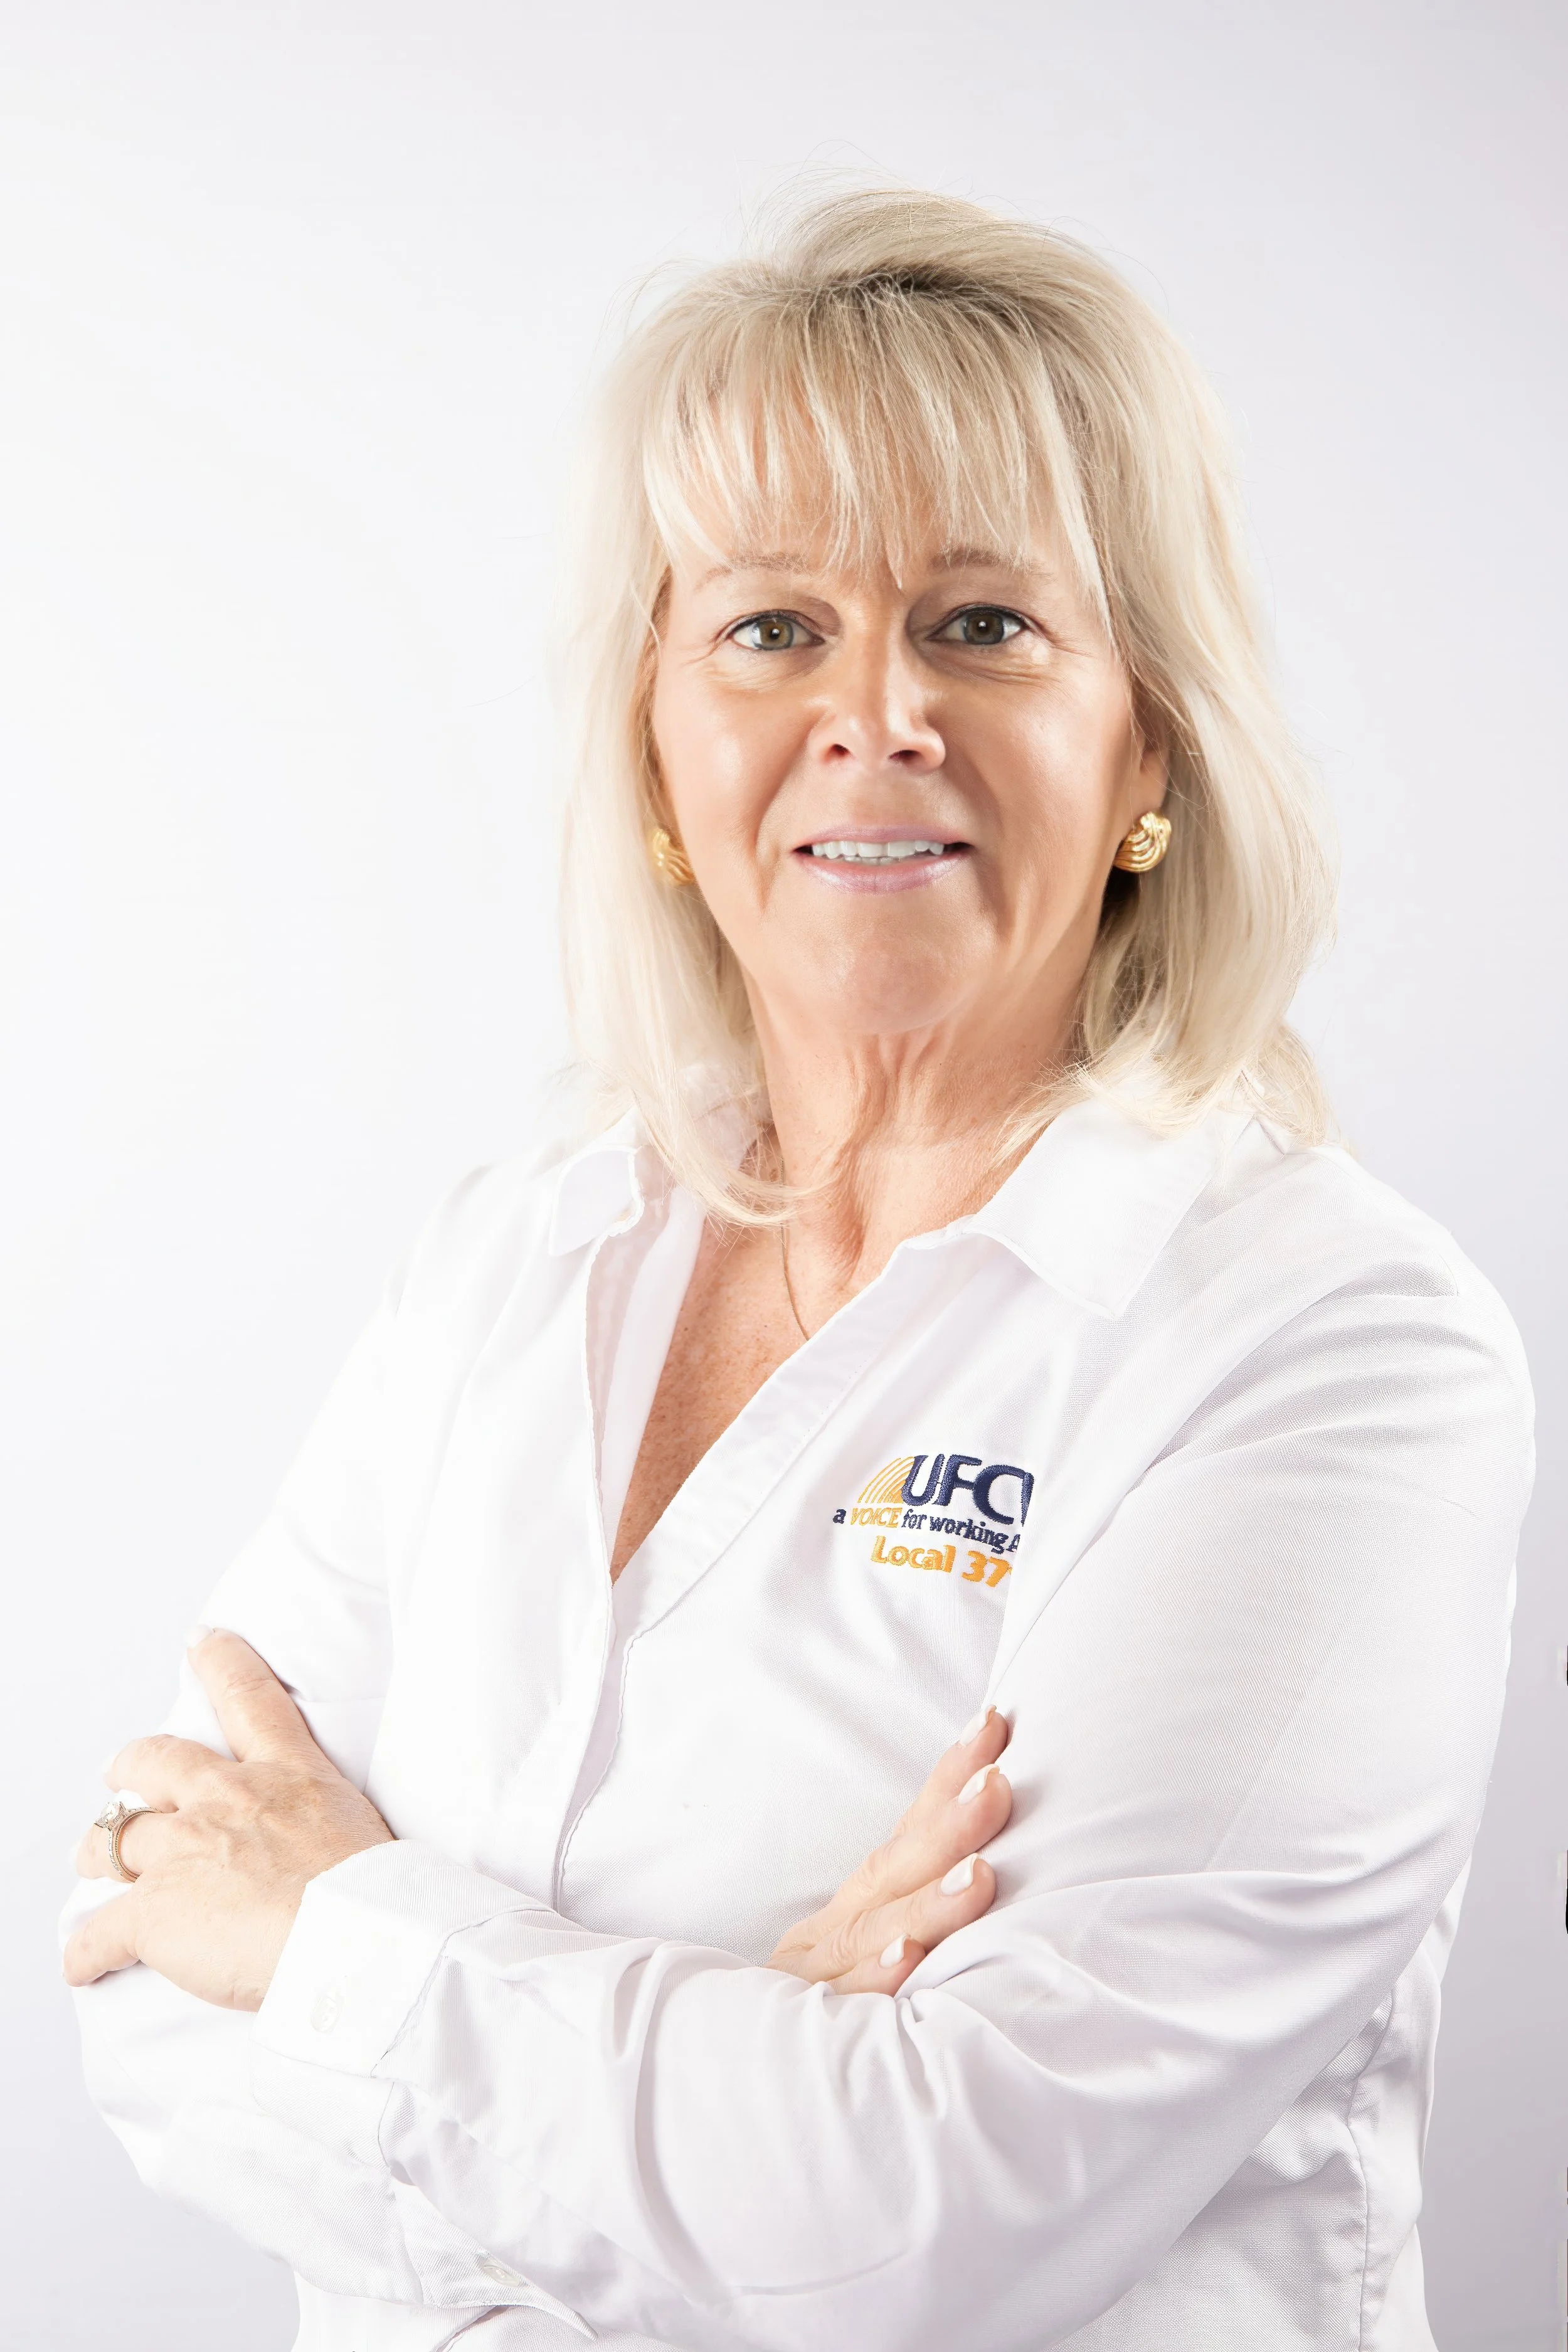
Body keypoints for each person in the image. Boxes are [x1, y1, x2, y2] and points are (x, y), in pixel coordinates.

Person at [61, 186, 1532, 2352]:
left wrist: (334, 1949)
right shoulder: (508, 1262)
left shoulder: (1325, 1353)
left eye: (982, 624)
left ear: (1147, 747)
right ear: (659, 748)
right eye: (769, 628)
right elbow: (132, 1951)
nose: (878, 715)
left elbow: (929, 2219)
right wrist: (753, 2045)